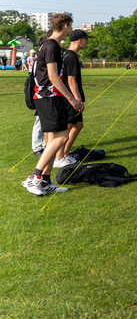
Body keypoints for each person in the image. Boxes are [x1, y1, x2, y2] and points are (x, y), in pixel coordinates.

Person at [21, 13, 83, 195]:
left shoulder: (52, 45)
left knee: (54, 138)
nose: (71, 29)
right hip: (48, 97)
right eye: (71, 25)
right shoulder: (51, 46)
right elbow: (53, 77)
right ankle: (34, 177)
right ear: (65, 25)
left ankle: (46, 180)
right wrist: (72, 99)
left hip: (50, 97)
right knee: (62, 138)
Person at [54, 30, 90, 168]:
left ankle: (65, 154)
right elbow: (71, 80)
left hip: (70, 96)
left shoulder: (67, 55)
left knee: (78, 124)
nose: (87, 42)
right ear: (79, 40)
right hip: (70, 98)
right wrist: (78, 100)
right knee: (67, 127)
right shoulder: (71, 56)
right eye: (86, 39)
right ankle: (59, 158)